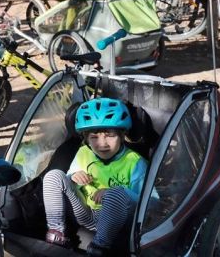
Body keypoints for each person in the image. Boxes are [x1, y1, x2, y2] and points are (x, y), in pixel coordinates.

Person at [42, 98, 147, 257]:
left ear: (122, 134)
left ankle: (99, 247)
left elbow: (149, 202)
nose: (102, 143)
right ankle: (57, 232)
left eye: (110, 135)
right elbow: (68, 180)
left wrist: (114, 192)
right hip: (86, 213)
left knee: (116, 193)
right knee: (53, 176)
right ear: (85, 138)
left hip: (117, 221)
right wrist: (73, 177)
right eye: (94, 137)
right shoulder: (84, 152)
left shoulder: (135, 162)